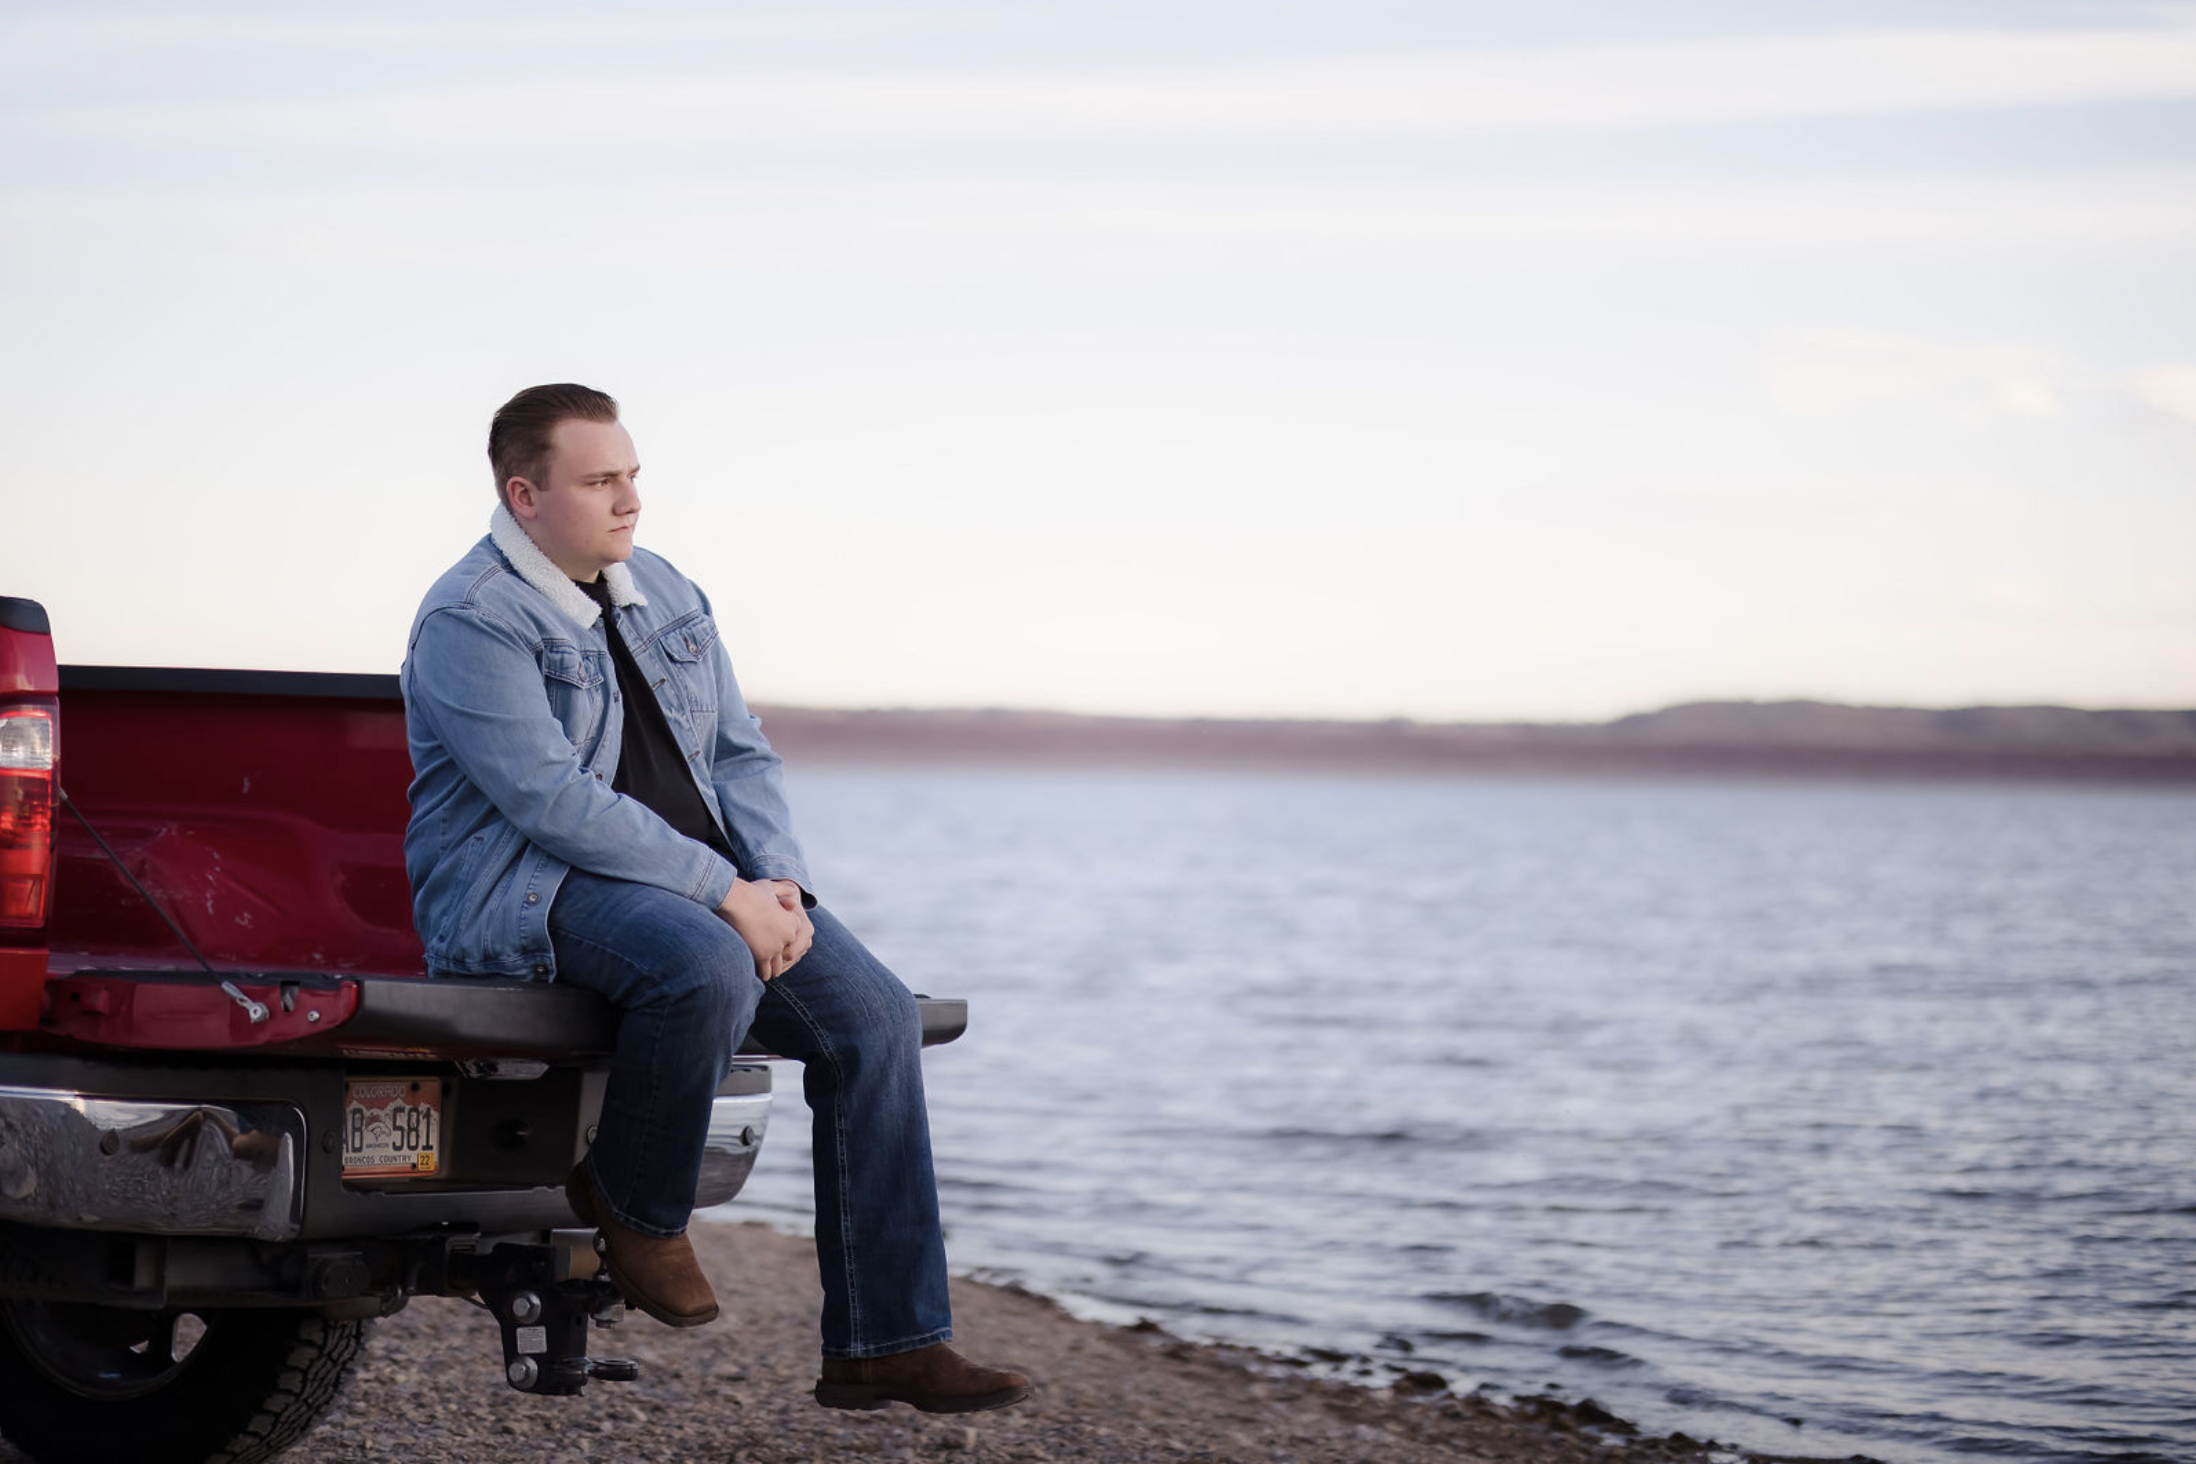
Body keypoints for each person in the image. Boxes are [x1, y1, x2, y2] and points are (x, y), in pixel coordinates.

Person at [399, 383, 1030, 1414]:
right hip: (528, 889)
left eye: (633, 475)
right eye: (599, 480)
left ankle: (887, 1341)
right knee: (700, 962)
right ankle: (636, 1205)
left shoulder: (667, 590)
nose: (628, 500)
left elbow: (741, 753)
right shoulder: (472, 619)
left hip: (710, 885)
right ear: (524, 494)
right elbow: (550, 803)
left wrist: (776, 882)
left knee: (874, 1018)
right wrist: (722, 894)